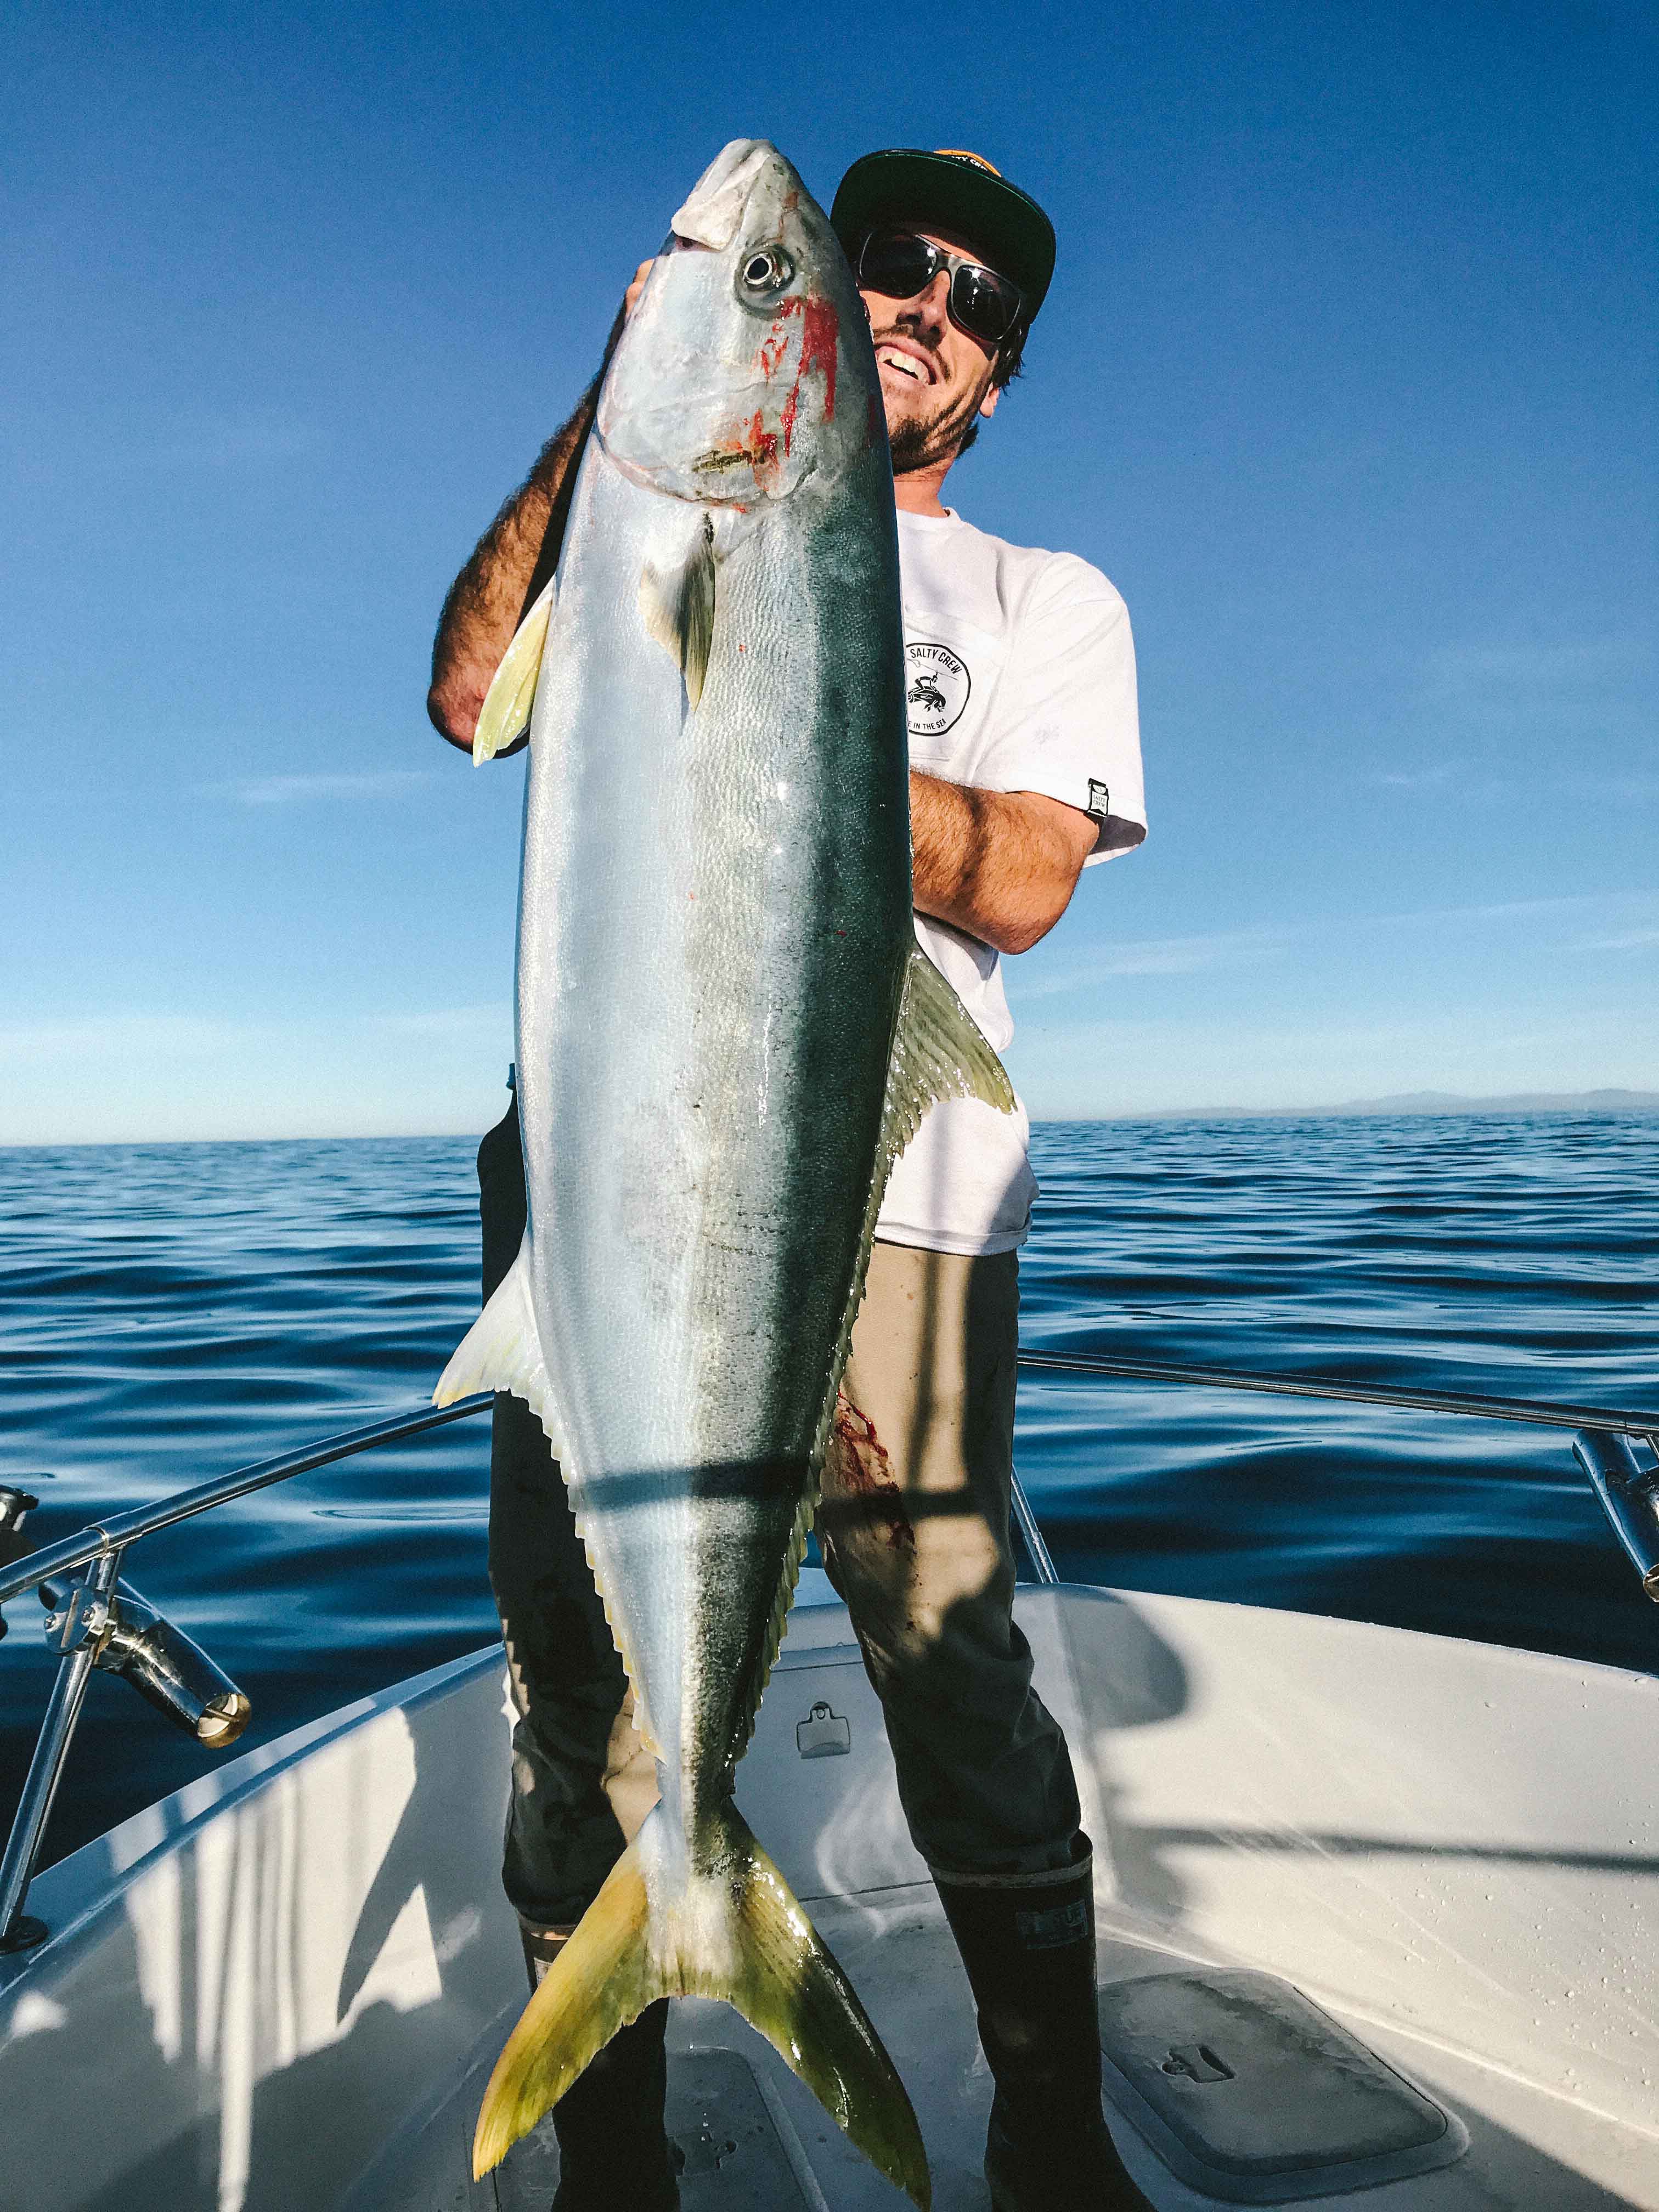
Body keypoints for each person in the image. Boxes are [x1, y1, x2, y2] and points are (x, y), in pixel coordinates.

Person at [428, 147, 1149, 2212]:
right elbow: (477, 693)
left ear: (998, 377)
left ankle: (1055, 2149)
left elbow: (1021, 879)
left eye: (977, 298)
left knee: (952, 1664)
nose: (925, 301)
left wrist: (788, 703)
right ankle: (616, 2161)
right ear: (813, 322)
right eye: (874, 264)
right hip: (603, 1185)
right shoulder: (637, 502)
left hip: (912, 1205)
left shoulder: (1044, 599)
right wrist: (632, 404)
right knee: (583, 1696)